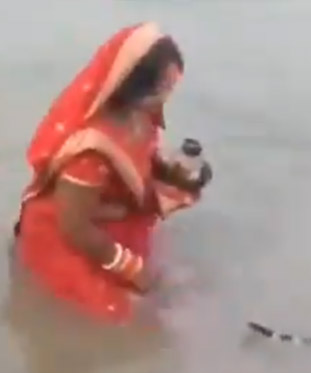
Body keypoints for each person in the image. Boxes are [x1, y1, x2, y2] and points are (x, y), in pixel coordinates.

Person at [12, 22, 212, 323]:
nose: (168, 96)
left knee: (174, 285)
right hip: (72, 232)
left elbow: (144, 155)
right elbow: (75, 229)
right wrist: (133, 270)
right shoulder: (90, 151)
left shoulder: (139, 114)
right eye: (164, 88)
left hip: (111, 211)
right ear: (133, 86)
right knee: (137, 318)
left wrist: (175, 174)